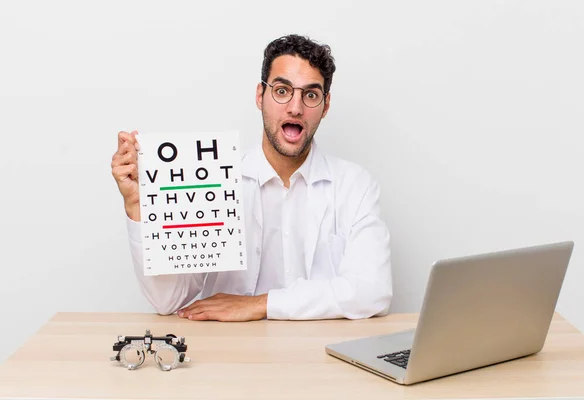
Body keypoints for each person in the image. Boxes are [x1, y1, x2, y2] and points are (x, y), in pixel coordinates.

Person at [111, 34, 392, 322]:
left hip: (320, 354)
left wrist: (260, 304)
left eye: (310, 95)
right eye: (282, 91)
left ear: (326, 105)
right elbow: (167, 300)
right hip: (233, 353)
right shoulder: (214, 179)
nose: (295, 107)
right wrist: (137, 207)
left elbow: (373, 291)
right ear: (260, 95)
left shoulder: (355, 186)